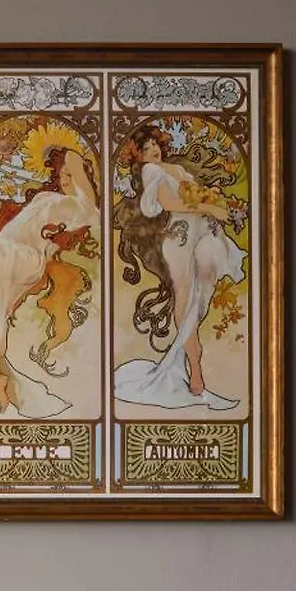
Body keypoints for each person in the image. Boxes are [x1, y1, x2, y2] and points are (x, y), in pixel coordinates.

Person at [111, 124, 244, 411]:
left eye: (154, 144)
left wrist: (211, 197)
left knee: (200, 299)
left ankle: (192, 363)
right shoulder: (151, 171)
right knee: (186, 301)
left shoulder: (173, 167)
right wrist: (208, 207)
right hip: (180, 238)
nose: (153, 151)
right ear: (138, 157)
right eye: (145, 149)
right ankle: (195, 369)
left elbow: (193, 195)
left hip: (200, 233)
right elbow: (170, 202)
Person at [0, 142, 99, 420]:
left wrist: (73, 161)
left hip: (26, 258)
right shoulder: (47, 198)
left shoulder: (77, 207)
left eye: (71, 175)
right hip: (4, 256)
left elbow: (92, 210)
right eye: (62, 174)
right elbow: (11, 213)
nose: (65, 179)